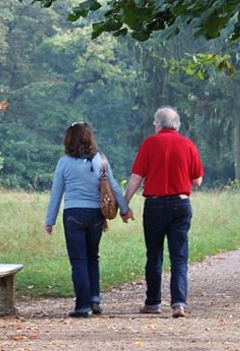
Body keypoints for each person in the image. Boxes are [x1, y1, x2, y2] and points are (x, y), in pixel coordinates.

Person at [123, 106, 204, 319]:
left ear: (158, 124)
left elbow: (136, 177)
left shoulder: (150, 144)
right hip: (181, 204)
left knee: (154, 255)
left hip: (155, 205)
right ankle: (178, 303)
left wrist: (124, 205)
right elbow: (197, 180)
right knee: (179, 256)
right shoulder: (188, 145)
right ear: (176, 124)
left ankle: (153, 302)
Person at [44, 121, 131, 318]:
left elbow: (56, 194)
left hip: (73, 214)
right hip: (96, 215)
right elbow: (114, 187)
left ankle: (82, 306)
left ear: (69, 139)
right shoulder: (100, 160)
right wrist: (125, 210)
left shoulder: (64, 163)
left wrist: (50, 220)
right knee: (93, 257)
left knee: (78, 261)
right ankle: (94, 299)